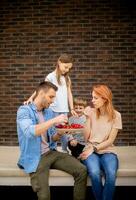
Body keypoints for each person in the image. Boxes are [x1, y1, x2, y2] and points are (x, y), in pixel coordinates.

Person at [17, 81, 87, 200]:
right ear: (40, 94)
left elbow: (52, 137)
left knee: (82, 170)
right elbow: (30, 132)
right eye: (51, 96)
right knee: (44, 196)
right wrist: (54, 121)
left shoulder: (48, 112)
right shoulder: (24, 111)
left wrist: (60, 133)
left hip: (50, 152)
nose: (53, 100)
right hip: (36, 157)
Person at [24, 53, 77, 153]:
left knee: (64, 131)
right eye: (66, 67)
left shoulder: (67, 78)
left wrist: (72, 108)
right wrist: (31, 98)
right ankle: (53, 149)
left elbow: (69, 93)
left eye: (69, 68)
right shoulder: (51, 77)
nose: (67, 70)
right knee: (52, 131)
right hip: (52, 109)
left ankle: (65, 150)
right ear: (59, 62)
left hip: (64, 110)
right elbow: (41, 90)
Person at [79, 84, 122, 200]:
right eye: (92, 97)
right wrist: (87, 118)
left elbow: (110, 140)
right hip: (90, 151)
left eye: (95, 98)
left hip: (108, 151)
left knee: (111, 175)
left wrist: (94, 149)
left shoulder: (116, 116)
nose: (92, 101)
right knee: (94, 173)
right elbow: (86, 138)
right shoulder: (91, 113)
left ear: (104, 98)